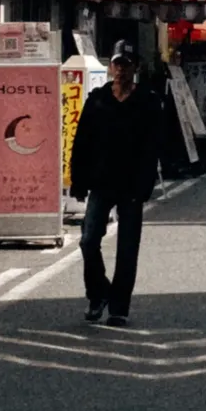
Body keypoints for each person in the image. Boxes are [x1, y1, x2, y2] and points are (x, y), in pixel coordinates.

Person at [67, 43, 163, 324]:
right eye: (117, 64)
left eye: (127, 64)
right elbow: (81, 142)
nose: (121, 69)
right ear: (111, 67)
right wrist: (78, 180)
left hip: (133, 184)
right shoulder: (98, 100)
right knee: (88, 240)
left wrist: (146, 184)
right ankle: (99, 293)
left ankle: (119, 306)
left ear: (136, 68)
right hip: (101, 181)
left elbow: (154, 146)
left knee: (128, 247)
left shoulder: (148, 101)